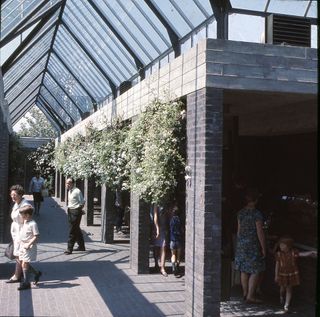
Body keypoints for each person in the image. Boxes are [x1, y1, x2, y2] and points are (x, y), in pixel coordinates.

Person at [234, 188, 266, 304]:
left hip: (242, 244)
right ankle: (250, 296)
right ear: (256, 200)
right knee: (256, 269)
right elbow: (260, 232)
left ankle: (244, 292)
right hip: (253, 244)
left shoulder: (240, 213)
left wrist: (239, 244)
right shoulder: (257, 214)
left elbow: (239, 230)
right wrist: (263, 247)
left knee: (244, 269)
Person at [6, 185, 42, 285]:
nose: (12, 196)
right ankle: (32, 274)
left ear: (21, 195)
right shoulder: (16, 204)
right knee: (18, 256)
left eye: (15, 195)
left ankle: (18, 275)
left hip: (22, 233)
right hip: (16, 231)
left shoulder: (25, 204)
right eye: (11, 194)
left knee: (19, 256)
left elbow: (30, 213)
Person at [274, 236, 317, 313]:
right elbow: (277, 265)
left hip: (291, 274)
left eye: (283, 245)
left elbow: (302, 254)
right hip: (282, 274)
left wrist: (311, 253)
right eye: (280, 245)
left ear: (288, 246)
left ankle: (286, 305)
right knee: (282, 289)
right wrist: (276, 275)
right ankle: (281, 296)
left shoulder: (293, 252)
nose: (281, 247)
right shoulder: (279, 254)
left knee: (289, 289)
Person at [17, 205, 40, 290]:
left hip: (29, 247)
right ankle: (36, 273)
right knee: (23, 263)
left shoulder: (33, 224)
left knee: (24, 263)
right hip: (23, 246)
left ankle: (26, 283)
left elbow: (36, 236)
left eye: (22, 214)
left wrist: (29, 244)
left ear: (27, 215)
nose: (21, 216)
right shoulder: (25, 221)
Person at [64, 178, 85, 254]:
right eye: (66, 183)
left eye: (69, 183)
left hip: (75, 211)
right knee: (76, 228)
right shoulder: (69, 191)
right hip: (70, 210)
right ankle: (81, 246)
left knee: (72, 230)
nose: (67, 185)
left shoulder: (77, 191)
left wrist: (78, 210)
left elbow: (82, 202)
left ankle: (69, 249)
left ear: (73, 183)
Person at [153, 204, 170, 277]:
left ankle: (162, 268)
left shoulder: (167, 201)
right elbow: (155, 216)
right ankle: (156, 263)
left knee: (163, 246)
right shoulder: (156, 203)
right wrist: (157, 228)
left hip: (164, 228)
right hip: (157, 228)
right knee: (156, 247)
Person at [169, 203, 183, 276]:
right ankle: (177, 267)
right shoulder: (180, 220)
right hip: (179, 240)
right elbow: (182, 229)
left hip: (172, 240)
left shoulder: (171, 220)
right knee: (178, 255)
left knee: (173, 254)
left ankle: (173, 267)